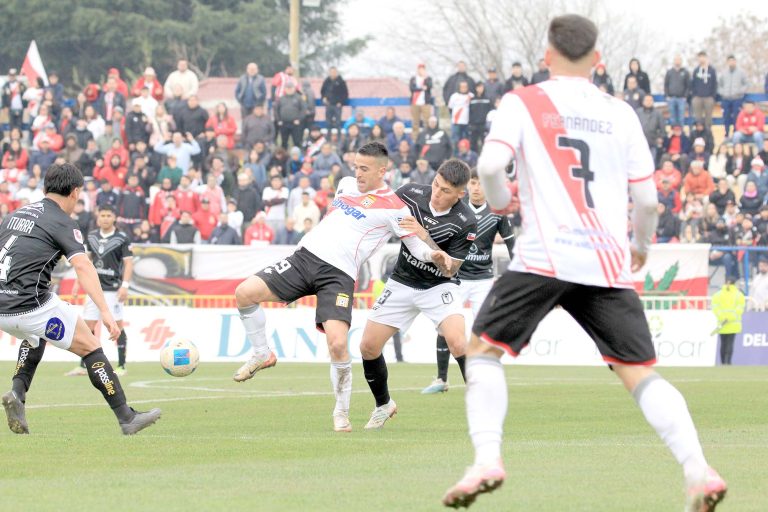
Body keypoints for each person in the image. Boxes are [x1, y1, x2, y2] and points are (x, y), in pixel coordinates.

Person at [442, 15, 726, 511]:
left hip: (544, 257)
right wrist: (640, 244)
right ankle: (697, 469)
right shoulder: (621, 113)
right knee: (638, 372)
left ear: (545, 56)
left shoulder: (523, 101)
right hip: (605, 260)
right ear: (598, 61)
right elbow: (648, 200)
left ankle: (488, 457)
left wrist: (502, 195)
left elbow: (488, 166)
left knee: (483, 350)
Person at [231, 142, 451, 433]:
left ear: (382, 171)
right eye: (356, 167)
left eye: (364, 169)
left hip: (338, 275)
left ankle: (341, 412)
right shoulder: (346, 185)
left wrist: (431, 254)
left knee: (337, 343)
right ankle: (262, 353)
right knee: (244, 293)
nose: (357, 174)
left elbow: (415, 245)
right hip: (304, 258)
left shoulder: (396, 208)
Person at [0, 163, 160, 435]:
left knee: (35, 336)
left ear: (44, 188)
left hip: (3, 305)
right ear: (75, 193)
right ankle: (126, 417)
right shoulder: (62, 222)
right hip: (30, 305)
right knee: (90, 346)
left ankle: (17, 392)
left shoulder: (15, 213)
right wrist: (106, 313)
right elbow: (84, 267)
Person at [360, 159, 477, 428]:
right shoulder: (411, 193)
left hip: (438, 287)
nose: (436, 192)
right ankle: (383, 405)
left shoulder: (466, 221)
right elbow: (378, 208)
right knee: (368, 347)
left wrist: (425, 236)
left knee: (458, 342)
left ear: (460, 194)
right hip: (401, 282)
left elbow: (451, 269)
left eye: (446, 190)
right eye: (436, 185)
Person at [422, 169, 514, 395]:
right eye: (472, 183)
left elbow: (513, 247)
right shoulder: (456, 209)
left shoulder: (497, 212)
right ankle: (441, 379)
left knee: (485, 329)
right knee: (445, 328)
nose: (476, 188)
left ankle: (488, 375)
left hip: (483, 279)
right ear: (467, 186)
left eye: (480, 184)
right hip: (456, 279)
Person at [65, 205, 133, 377]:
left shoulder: (122, 238)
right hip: (94, 289)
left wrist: (125, 285)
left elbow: (128, 263)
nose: (105, 218)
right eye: (102, 215)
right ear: (97, 217)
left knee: (116, 326)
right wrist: (77, 283)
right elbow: (85, 262)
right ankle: (83, 365)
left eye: (108, 215)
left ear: (114, 217)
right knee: (88, 326)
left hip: (112, 289)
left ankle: (122, 366)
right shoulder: (92, 236)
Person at [711, 278, 745, 366]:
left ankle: (723, 362)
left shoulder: (717, 295)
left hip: (722, 323)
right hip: (733, 323)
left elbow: (715, 307)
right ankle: (728, 362)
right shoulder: (739, 295)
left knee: (723, 343)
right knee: (730, 343)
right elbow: (740, 308)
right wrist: (731, 317)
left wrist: (722, 317)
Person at [717, 56, 748, 138]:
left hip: (737, 99)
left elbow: (746, 84)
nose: (731, 63)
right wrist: (722, 93)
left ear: (735, 61)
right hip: (726, 99)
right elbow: (719, 85)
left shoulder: (741, 72)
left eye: (733, 61)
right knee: (726, 116)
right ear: (727, 62)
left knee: (737, 117)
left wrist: (740, 92)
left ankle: (735, 133)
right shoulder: (723, 73)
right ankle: (726, 133)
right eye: (730, 61)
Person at [691, 51, 717, 132]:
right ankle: (698, 133)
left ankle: (708, 133)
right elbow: (693, 83)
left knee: (708, 118)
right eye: (700, 57)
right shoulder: (696, 71)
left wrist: (713, 96)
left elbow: (714, 83)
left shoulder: (711, 70)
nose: (701, 59)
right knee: (698, 118)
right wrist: (694, 95)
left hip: (708, 97)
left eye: (703, 57)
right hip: (698, 97)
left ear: (706, 58)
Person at [409, 64, 434, 142]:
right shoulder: (413, 78)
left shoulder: (428, 78)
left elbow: (429, 86)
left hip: (425, 103)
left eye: (423, 69)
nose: (421, 70)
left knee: (427, 121)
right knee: (415, 122)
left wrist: (425, 78)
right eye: (420, 69)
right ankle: (415, 139)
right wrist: (421, 88)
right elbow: (412, 88)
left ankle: (427, 138)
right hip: (415, 102)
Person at [320, 66, 349, 132]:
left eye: (334, 72)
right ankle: (328, 139)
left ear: (337, 72)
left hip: (337, 105)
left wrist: (341, 102)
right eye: (331, 72)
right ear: (329, 73)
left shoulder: (341, 81)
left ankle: (339, 140)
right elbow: (322, 91)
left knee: (338, 123)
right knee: (328, 123)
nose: (333, 73)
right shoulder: (326, 81)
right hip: (328, 104)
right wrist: (323, 98)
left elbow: (345, 94)